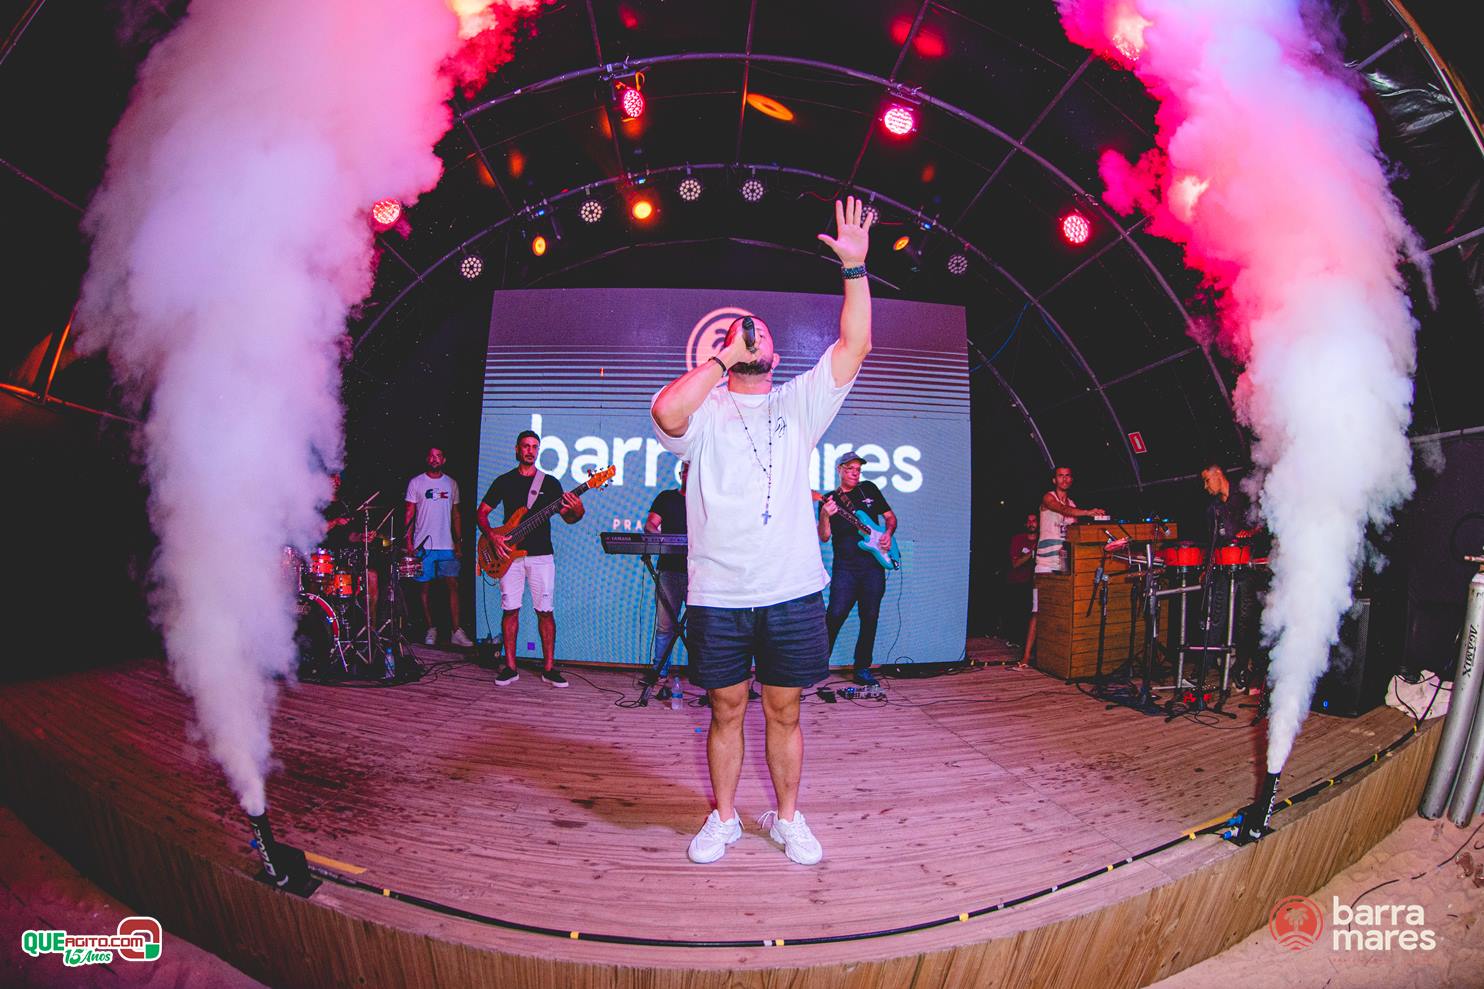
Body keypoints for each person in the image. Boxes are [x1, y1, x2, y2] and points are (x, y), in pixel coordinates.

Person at [651, 196, 872, 867]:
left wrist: (855, 268)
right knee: (724, 710)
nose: (752, 338)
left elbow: (855, 345)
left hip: (791, 590)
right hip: (719, 594)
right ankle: (722, 818)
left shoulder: (798, 403)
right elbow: (666, 412)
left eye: (760, 334)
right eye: (739, 335)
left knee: (785, 711)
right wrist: (721, 360)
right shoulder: (707, 412)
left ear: (775, 353)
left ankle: (787, 818)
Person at [477, 430, 585, 688]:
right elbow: (482, 513)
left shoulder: (550, 483)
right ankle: (510, 667)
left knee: (545, 612)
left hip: (541, 556)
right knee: (510, 610)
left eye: (535, 447)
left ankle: (549, 669)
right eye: (525, 446)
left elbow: (570, 518)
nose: (530, 451)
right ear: (517, 449)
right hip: (508, 556)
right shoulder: (503, 481)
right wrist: (492, 536)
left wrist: (578, 509)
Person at [819, 450, 896, 686]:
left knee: (870, 617)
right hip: (846, 568)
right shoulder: (829, 499)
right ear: (839, 470)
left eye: (858, 469)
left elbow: (890, 517)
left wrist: (888, 534)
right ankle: (817, 666)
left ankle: (862, 668)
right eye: (850, 469)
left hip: (873, 567)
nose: (855, 473)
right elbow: (824, 536)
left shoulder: (869, 489)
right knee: (835, 615)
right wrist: (825, 515)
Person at [1021, 467, 1106, 668]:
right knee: (1038, 610)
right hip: (1045, 563)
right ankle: (1025, 657)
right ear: (1054, 480)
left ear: (1071, 479)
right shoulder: (1048, 498)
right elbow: (1062, 510)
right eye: (1060, 475)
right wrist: (1088, 512)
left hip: (1063, 561)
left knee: (1061, 609)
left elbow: (1072, 531)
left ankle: (1054, 657)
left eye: (1068, 475)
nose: (1064, 479)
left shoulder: (1073, 504)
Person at [404, 447, 472, 648]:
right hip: (423, 544)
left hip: (446, 544)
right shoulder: (416, 482)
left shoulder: (451, 483)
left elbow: (456, 514)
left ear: (443, 460)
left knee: (453, 585)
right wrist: (408, 542)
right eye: (431, 456)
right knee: (424, 587)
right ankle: (431, 628)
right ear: (427, 459)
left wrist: (458, 542)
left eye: (438, 456)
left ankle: (456, 631)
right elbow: (409, 513)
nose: (434, 459)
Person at [645, 461, 688, 685]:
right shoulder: (667, 498)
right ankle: (659, 671)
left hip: (699, 573)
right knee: (665, 625)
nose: (689, 474)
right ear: (680, 474)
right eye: (685, 470)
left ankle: (703, 674)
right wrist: (661, 538)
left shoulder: (706, 500)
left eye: (693, 469)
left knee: (701, 626)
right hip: (669, 570)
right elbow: (650, 525)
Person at [322, 471, 379, 623]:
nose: (336, 481)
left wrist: (362, 537)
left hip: (347, 558)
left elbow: (350, 535)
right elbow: (314, 531)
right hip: (325, 560)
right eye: (332, 477)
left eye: (338, 478)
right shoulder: (317, 504)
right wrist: (335, 522)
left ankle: (371, 627)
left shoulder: (345, 505)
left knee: (372, 576)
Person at [1005, 512, 1037, 658]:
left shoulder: (1043, 539)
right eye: (1029, 521)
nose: (1031, 524)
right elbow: (1015, 563)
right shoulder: (1018, 539)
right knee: (1020, 615)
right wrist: (1032, 553)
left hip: (1036, 583)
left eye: (1034, 521)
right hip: (1018, 582)